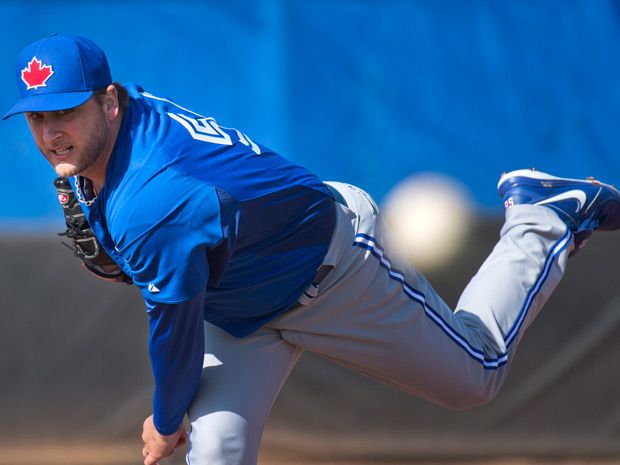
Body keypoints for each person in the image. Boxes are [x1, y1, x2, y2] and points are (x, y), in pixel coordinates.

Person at [5, 33, 620, 465]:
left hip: (333, 269)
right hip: (240, 304)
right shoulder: (125, 118)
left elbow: (174, 335)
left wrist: (166, 424)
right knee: (216, 454)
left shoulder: (153, 199)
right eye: (36, 118)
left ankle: (542, 216)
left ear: (108, 101)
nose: (51, 131)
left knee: (474, 379)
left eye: (66, 110)